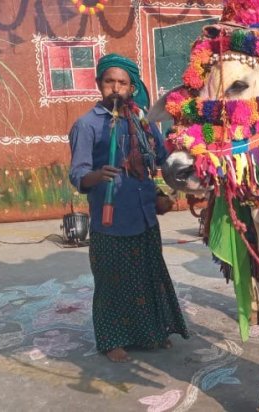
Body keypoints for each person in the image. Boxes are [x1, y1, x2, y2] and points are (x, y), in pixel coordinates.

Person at [69, 53, 190, 363]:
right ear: (98, 84)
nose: (115, 88)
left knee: (148, 276)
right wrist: (98, 175)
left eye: (122, 83)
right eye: (109, 81)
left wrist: (175, 182)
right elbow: (78, 173)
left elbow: (162, 159)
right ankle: (112, 341)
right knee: (112, 282)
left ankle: (153, 334)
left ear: (131, 88)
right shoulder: (87, 125)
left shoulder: (143, 123)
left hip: (145, 215)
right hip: (110, 220)